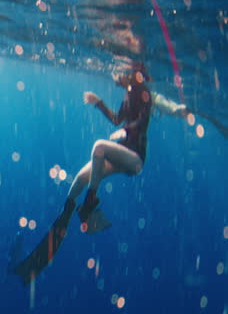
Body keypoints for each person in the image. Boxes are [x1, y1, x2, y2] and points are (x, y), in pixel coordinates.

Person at [14, 62, 151, 284]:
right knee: (78, 180)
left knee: (99, 147)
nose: (114, 75)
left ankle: (89, 204)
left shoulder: (142, 91)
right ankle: (63, 221)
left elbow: (142, 122)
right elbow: (118, 119)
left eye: (118, 71)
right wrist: (99, 103)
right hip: (122, 154)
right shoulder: (129, 93)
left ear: (130, 72)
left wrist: (125, 131)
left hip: (134, 160)